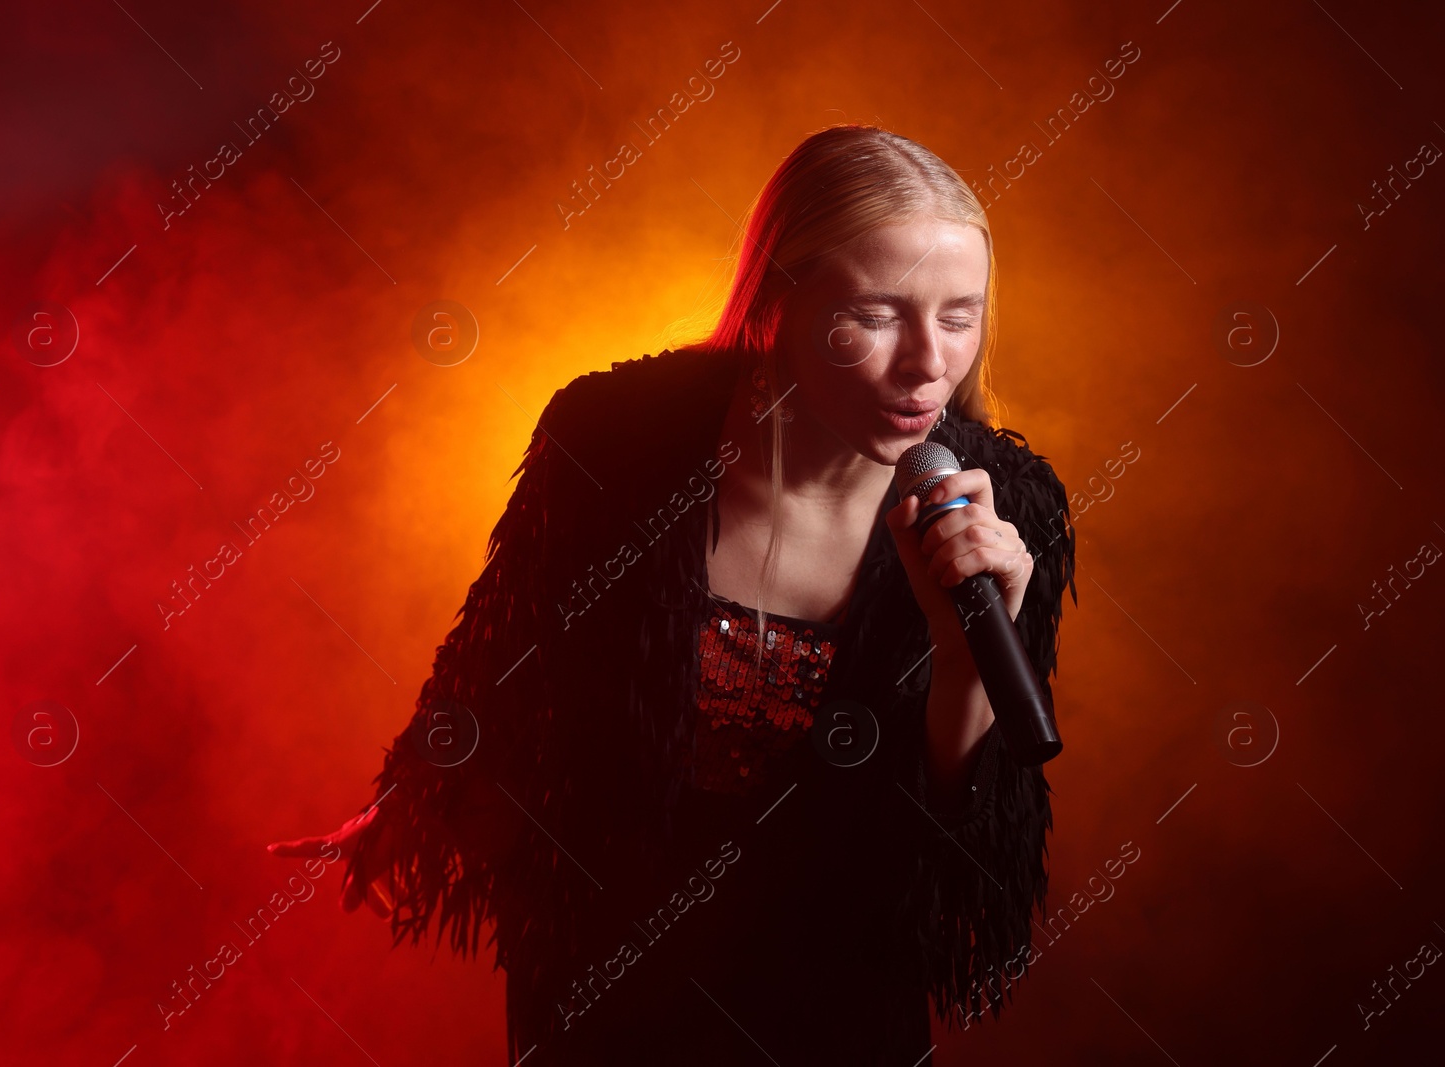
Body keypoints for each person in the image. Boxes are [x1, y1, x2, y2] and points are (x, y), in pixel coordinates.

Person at [269, 123, 1077, 1065]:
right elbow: (511, 654)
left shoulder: (1007, 508)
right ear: (781, 297)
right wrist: (422, 797)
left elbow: (967, 847)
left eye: (958, 315)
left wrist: (955, 647)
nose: (928, 364)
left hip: (837, 980)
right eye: (878, 312)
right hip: (607, 969)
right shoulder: (619, 437)